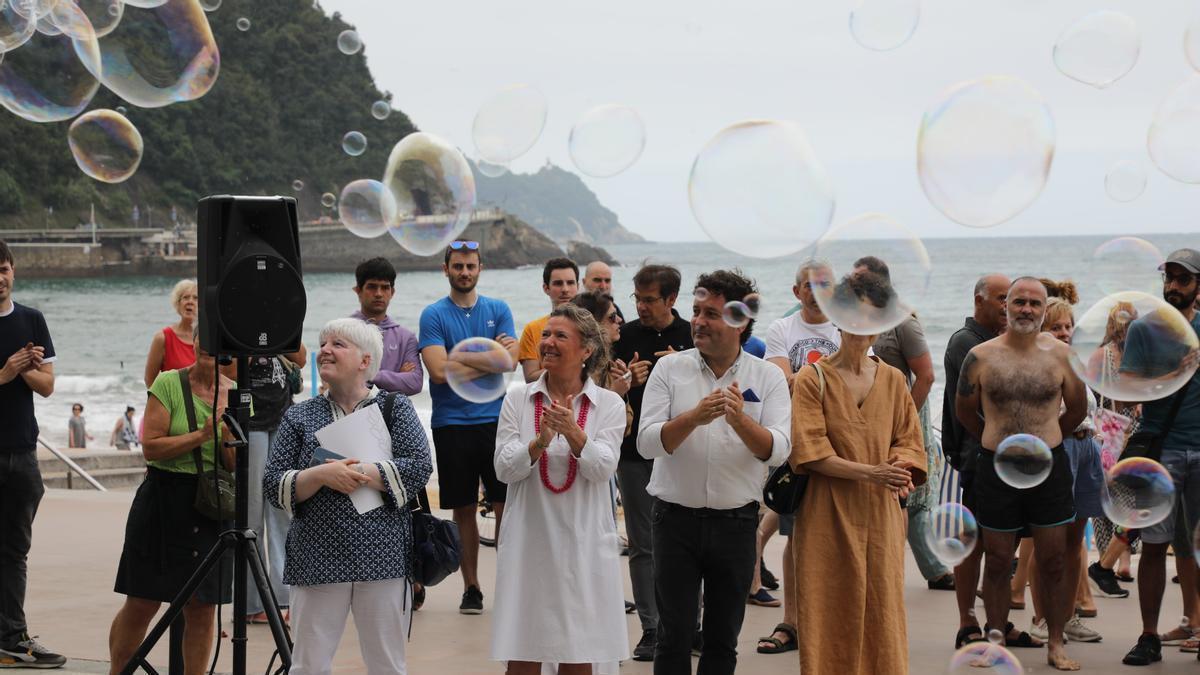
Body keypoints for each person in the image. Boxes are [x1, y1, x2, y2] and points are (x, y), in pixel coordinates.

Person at [638, 269, 791, 674]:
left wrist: (740, 421)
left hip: (737, 524)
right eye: (696, 311)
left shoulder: (768, 376)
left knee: (723, 640)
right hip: (674, 521)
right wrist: (694, 417)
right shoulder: (669, 370)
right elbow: (647, 442)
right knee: (674, 636)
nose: (698, 322)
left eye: (711, 313)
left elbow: (778, 450)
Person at [264, 318, 433, 675]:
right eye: (323, 343)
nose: (325, 350)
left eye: (338, 344)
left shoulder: (394, 407)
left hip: (384, 557)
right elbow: (272, 483)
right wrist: (322, 475)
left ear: (365, 360)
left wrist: (355, 473)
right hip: (316, 556)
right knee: (308, 665)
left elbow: (419, 466)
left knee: (387, 665)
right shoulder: (299, 414)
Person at [788, 271, 926, 675]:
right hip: (826, 513)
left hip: (881, 516)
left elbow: (909, 442)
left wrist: (899, 466)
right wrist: (873, 473)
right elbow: (810, 453)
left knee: (883, 609)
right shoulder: (812, 379)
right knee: (828, 608)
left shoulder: (895, 379)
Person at [956, 277, 1088, 671]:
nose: (1026, 309)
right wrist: (994, 443)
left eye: (1034, 303)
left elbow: (1077, 410)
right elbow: (964, 411)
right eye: (1019, 302)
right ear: (1006, 307)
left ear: (1045, 309)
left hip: (1049, 469)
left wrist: (1048, 443)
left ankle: (1056, 643)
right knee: (997, 560)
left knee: (1054, 561)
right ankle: (996, 641)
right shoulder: (980, 356)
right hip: (996, 469)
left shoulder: (1064, 356)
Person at [492, 304, 629, 673]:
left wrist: (572, 433)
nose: (548, 343)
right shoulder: (519, 399)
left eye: (560, 336)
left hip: (583, 544)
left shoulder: (609, 404)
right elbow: (504, 468)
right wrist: (539, 442)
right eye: (546, 335)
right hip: (528, 541)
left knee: (578, 650)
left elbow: (603, 469)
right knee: (522, 653)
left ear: (586, 351)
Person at [108, 332, 236, 675]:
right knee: (142, 600)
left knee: (202, 607)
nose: (209, 348)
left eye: (218, 343)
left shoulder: (237, 394)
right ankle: (118, 671)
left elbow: (234, 464)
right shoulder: (168, 383)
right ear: (193, 344)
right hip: (163, 499)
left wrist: (227, 440)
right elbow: (151, 447)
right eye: (203, 339)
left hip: (211, 504)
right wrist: (203, 434)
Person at [418, 240, 519, 614]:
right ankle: (471, 587)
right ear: (446, 270)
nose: (464, 272)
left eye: (470, 266)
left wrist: (463, 357)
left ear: (480, 268)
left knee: (505, 505)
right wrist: (489, 353)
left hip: (496, 422)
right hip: (450, 423)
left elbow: (510, 362)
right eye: (458, 266)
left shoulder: (498, 308)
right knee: (462, 510)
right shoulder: (433, 315)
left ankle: (511, 585)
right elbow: (439, 373)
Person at [753, 259, 842, 653]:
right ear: (796, 292)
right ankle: (791, 621)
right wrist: (827, 379)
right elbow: (778, 380)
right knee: (796, 535)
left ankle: (830, 619)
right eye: (808, 284)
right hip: (796, 447)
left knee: (838, 536)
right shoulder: (781, 329)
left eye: (824, 284)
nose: (815, 290)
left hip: (842, 445)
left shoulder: (847, 327)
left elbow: (864, 380)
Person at [1118, 248, 1200, 667]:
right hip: (1160, 451)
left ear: (1198, 286)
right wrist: (1175, 374)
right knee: (1153, 546)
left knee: (1195, 548)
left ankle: (1195, 626)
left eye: (1182, 279)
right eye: (1168, 277)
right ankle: (1148, 636)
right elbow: (1128, 386)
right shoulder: (1145, 329)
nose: (1172, 286)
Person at [611, 264, 693, 661]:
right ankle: (650, 628)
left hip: (683, 451)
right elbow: (604, 392)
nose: (641, 307)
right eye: (637, 299)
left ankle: (689, 626)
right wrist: (629, 381)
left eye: (649, 300)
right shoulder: (623, 336)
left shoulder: (694, 336)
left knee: (688, 542)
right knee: (643, 545)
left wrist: (684, 368)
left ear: (672, 299)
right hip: (633, 452)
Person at [1016, 293, 1104, 644]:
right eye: (1057, 326)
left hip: (1086, 445)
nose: (1065, 332)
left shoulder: (1075, 360)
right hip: (1059, 446)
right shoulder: (1036, 363)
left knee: (1073, 542)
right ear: (1041, 330)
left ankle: (1065, 618)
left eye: (1069, 325)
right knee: (1047, 541)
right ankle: (1041, 617)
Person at [0, 240, 64, 669]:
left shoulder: (31, 319)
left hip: (22, 454)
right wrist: (5, 371)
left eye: (3, 268)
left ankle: (11, 636)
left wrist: (25, 369)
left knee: (15, 551)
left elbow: (47, 385)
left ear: (14, 271)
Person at [943, 272, 1010, 649]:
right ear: (978, 300)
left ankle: (997, 621)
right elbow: (970, 409)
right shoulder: (966, 343)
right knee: (971, 542)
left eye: (1010, 298)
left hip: (1001, 456)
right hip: (973, 456)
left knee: (1001, 542)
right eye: (1000, 298)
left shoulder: (1002, 342)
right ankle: (967, 619)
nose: (1006, 306)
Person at [243, 346, 306, 625]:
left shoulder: (279, 317)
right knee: (251, 515)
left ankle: (285, 598)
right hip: (250, 422)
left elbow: (301, 357)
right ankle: (251, 603)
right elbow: (230, 369)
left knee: (282, 510)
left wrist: (282, 326)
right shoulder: (238, 318)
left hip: (282, 419)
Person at [351, 257, 424, 396]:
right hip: (351, 414)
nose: (379, 294)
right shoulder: (343, 331)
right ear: (358, 291)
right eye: (372, 287)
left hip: (391, 415)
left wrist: (370, 375)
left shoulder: (406, 337)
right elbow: (341, 378)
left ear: (392, 292)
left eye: (385, 287)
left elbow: (415, 383)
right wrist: (397, 376)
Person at [519, 258, 580, 382]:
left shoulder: (591, 326)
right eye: (558, 283)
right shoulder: (533, 329)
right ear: (546, 288)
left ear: (578, 286)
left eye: (570, 283)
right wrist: (570, 364)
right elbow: (531, 378)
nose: (565, 289)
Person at [144, 279, 198, 389]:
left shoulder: (210, 339)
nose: (190, 301)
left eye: (195, 298)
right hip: (172, 405)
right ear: (178, 303)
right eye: (185, 297)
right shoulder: (163, 338)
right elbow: (150, 380)